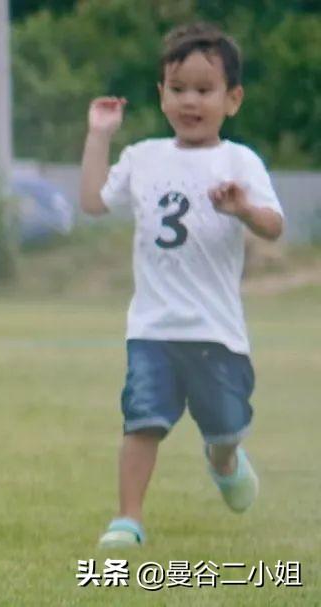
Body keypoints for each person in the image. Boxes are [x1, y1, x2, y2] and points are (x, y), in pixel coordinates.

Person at [80, 22, 284, 549]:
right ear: (161, 94)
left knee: (224, 429)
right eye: (177, 89)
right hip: (152, 327)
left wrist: (242, 208)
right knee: (141, 421)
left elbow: (274, 226)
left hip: (217, 332)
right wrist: (99, 135)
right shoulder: (144, 157)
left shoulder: (241, 161)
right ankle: (128, 520)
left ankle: (225, 461)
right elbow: (93, 202)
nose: (189, 100)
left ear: (232, 99)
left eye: (204, 89)